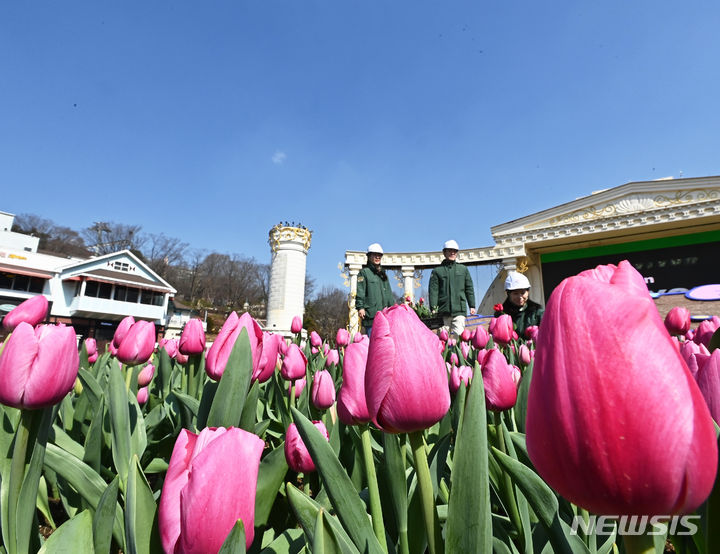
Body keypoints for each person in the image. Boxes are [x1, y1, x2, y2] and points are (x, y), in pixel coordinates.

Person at [429, 240, 476, 338]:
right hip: (443, 312)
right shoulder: (437, 271)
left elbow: (469, 288)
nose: (452, 253)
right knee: (443, 339)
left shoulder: (463, 269)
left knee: (459, 338)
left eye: (455, 251)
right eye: (450, 250)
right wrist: (433, 308)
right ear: (444, 252)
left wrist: (472, 305)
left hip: (459, 310)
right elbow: (433, 291)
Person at [355, 243, 395, 337]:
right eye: (374, 255)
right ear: (369, 257)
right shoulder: (364, 273)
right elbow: (360, 291)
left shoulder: (383, 274)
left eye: (379, 255)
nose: (377, 257)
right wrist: (360, 307)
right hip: (371, 316)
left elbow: (389, 294)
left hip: (385, 316)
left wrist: (392, 308)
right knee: (373, 345)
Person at [494, 271, 544, 338]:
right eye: (515, 293)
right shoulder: (502, 315)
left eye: (523, 293)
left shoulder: (537, 311)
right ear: (508, 294)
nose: (520, 297)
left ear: (528, 292)